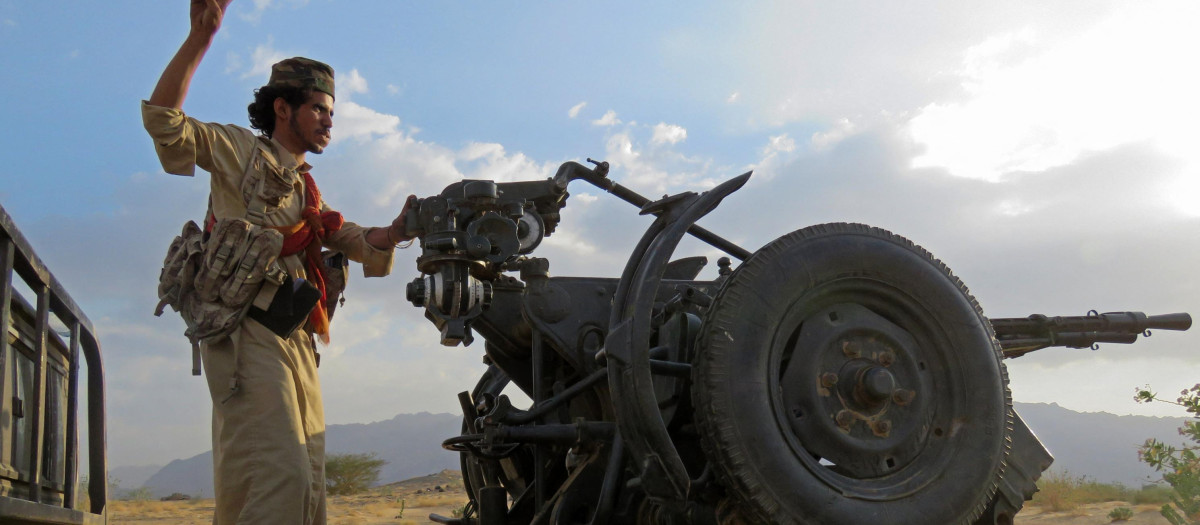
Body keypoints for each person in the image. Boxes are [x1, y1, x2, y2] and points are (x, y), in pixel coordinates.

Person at [141, 1, 411, 523]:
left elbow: (347, 234)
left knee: (307, 484)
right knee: (277, 474)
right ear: (282, 109)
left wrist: (398, 232)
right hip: (247, 331)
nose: (329, 120)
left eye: (332, 111)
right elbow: (165, 124)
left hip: (297, 339)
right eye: (318, 108)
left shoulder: (306, 188)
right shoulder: (240, 150)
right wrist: (199, 42)